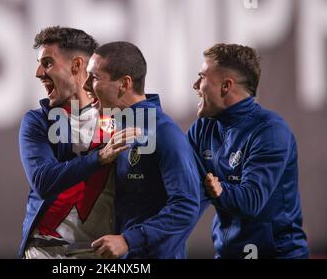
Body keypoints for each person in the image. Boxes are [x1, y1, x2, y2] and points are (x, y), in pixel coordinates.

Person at [18, 26, 137, 259]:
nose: (38, 72)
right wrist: (100, 157)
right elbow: (43, 181)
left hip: (102, 253)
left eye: (48, 62)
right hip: (45, 251)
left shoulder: (123, 118)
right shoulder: (38, 122)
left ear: (76, 65)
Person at [187, 43, 309, 259]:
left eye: (202, 77)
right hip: (227, 254)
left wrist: (220, 190)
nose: (195, 85)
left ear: (226, 86)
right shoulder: (203, 128)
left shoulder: (270, 131)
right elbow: (182, 190)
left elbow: (251, 201)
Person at [83, 41, 201, 259]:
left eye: (95, 77)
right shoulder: (116, 127)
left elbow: (186, 206)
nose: (85, 85)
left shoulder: (164, 132)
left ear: (124, 84)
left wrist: (129, 240)